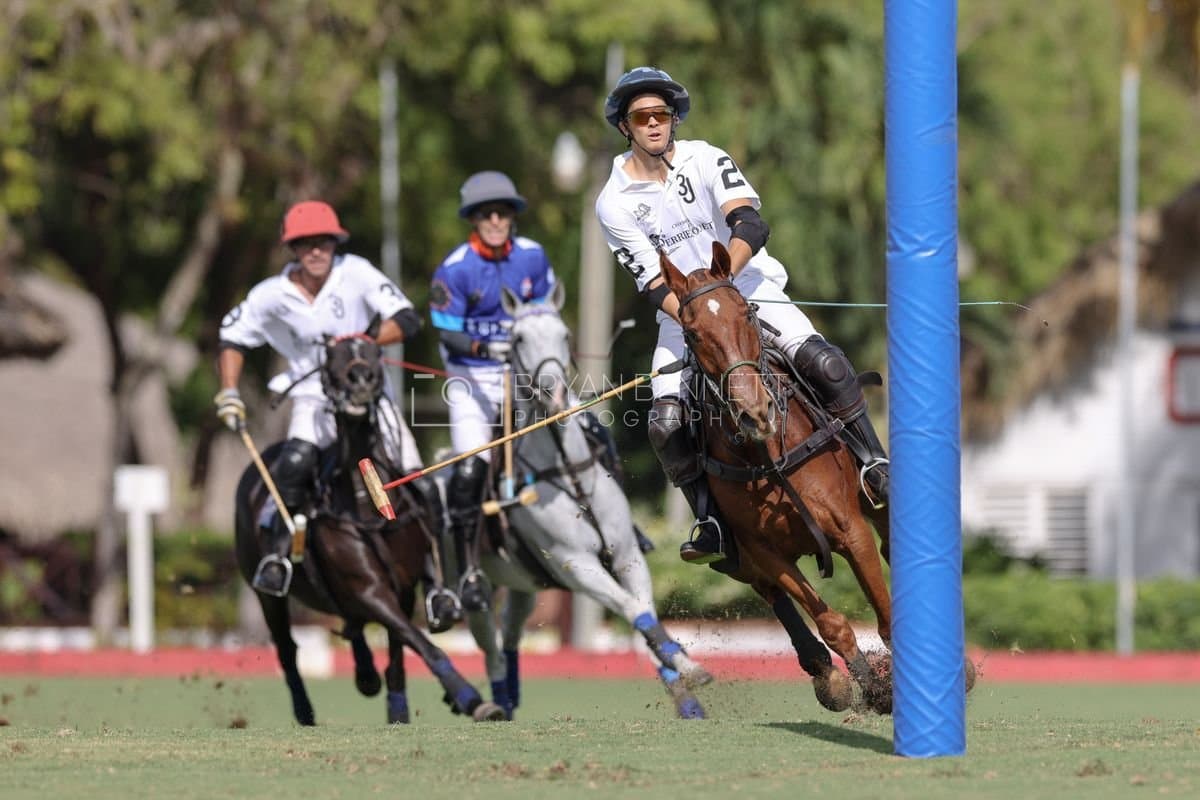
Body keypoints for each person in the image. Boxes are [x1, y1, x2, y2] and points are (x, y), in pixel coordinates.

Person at [595, 67, 890, 566]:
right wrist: (699, 316)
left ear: (673, 119)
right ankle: (711, 520)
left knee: (827, 364)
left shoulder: (705, 158)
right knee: (665, 424)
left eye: (661, 114)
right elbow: (652, 283)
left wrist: (722, 286)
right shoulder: (613, 202)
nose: (653, 124)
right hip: (682, 315)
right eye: (641, 117)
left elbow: (750, 223)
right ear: (625, 126)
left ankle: (874, 465)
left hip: (749, 285)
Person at [214, 200, 450, 614]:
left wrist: (359, 349)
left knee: (418, 484)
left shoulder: (356, 273)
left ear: (335, 242)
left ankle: (436, 582)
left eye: (323, 241)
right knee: (295, 462)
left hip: (371, 398)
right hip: (314, 401)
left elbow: (406, 318)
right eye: (305, 244)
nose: (316, 250)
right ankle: (278, 555)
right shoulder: (272, 295)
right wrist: (229, 391)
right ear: (293, 249)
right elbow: (232, 337)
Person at [428, 171, 563, 612]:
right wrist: (486, 345)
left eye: (502, 213)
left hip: (522, 372)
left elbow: (546, 312)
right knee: (470, 470)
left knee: (578, 432)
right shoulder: (455, 269)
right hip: (472, 378)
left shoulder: (533, 257)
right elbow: (446, 334)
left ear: (511, 217)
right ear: (474, 219)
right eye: (486, 214)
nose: (495, 220)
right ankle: (466, 569)